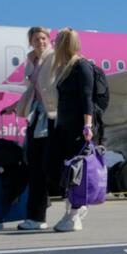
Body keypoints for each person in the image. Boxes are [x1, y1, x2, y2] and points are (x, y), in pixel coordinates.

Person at [0, 26, 54, 230]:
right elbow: (31, 92)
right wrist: (14, 107)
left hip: (52, 118)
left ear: (49, 39)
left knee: (52, 168)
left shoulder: (55, 59)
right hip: (36, 117)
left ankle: (75, 209)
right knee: (35, 168)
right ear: (30, 42)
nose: (40, 41)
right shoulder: (32, 61)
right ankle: (36, 218)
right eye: (36, 39)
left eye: (43, 38)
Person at [41, 28, 95, 232]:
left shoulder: (82, 66)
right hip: (62, 127)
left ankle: (74, 214)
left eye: (57, 42)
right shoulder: (65, 68)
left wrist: (87, 125)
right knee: (52, 167)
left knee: (74, 173)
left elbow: (86, 98)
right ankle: (75, 209)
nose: (54, 45)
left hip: (77, 129)